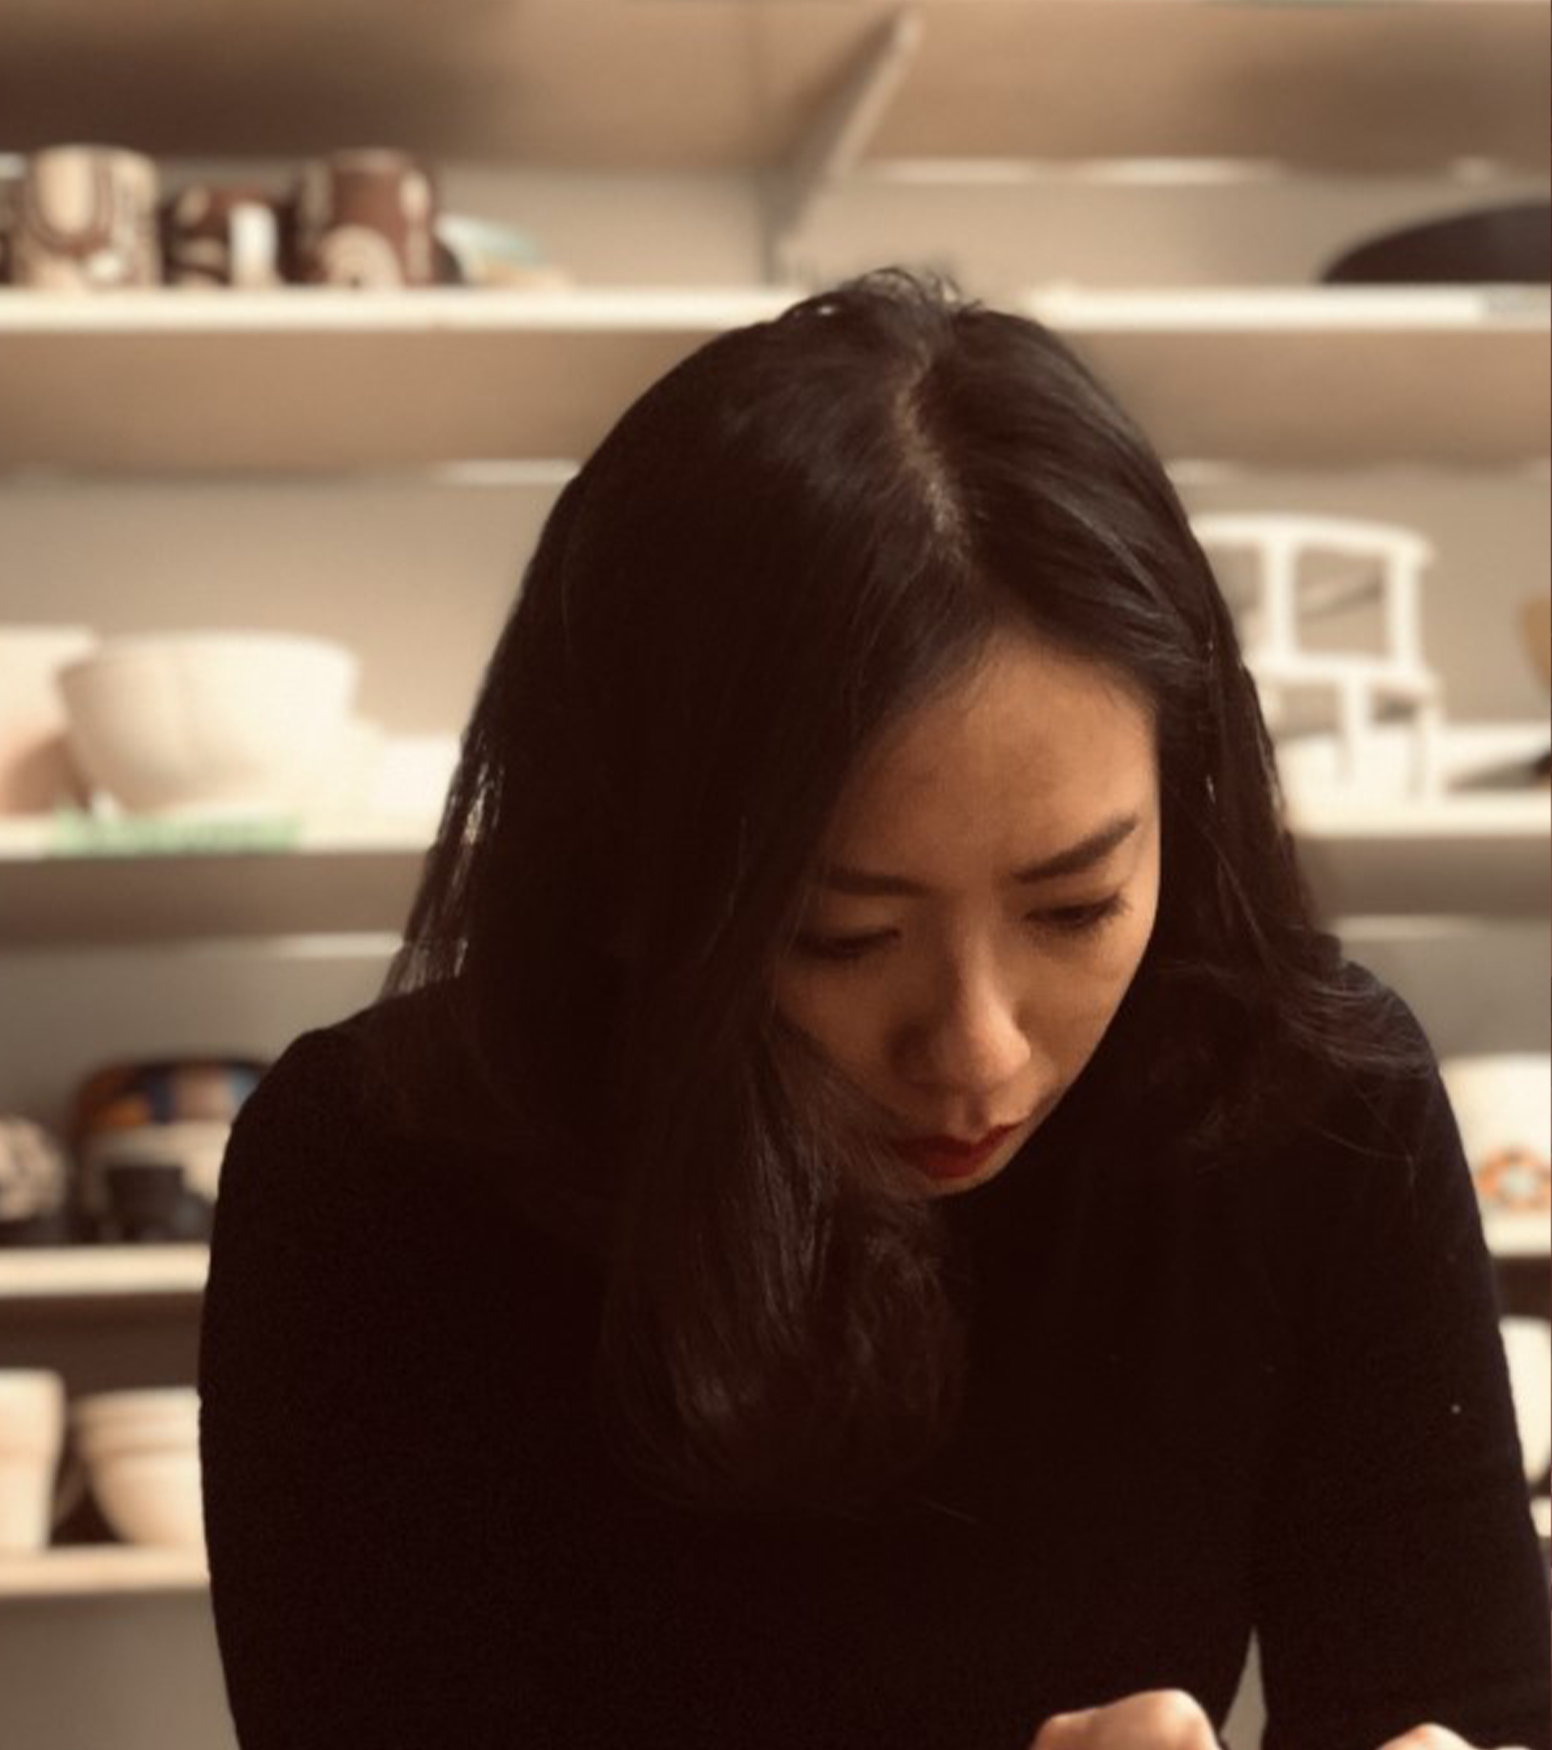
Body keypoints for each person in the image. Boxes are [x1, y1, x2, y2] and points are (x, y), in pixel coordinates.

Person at [196, 267, 1550, 1749]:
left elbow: (1459, 1692)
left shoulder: (1305, 1108)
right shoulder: (379, 1182)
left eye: (1075, 907)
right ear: (639, 875)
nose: (976, 1047)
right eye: (841, 934)